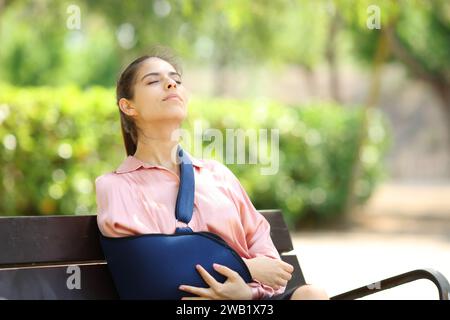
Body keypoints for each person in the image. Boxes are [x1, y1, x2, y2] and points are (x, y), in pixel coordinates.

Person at [95, 47, 329, 300]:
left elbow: (273, 266)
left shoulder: (218, 175)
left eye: (176, 80)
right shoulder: (117, 186)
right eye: (153, 81)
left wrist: (245, 293)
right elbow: (152, 271)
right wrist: (247, 268)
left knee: (311, 295)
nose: (171, 84)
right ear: (128, 106)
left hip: (249, 302)